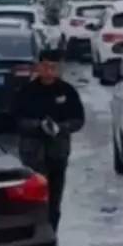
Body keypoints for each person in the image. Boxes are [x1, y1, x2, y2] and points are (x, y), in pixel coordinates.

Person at [12, 49, 85, 231]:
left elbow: (78, 119)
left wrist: (61, 128)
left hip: (58, 153)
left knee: (54, 199)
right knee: (34, 198)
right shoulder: (27, 91)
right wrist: (38, 126)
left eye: (54, 67)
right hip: (32, 154)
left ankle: (52, 233)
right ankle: (33, 233)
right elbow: (16, 119)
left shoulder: (67, 91)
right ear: (38, 67)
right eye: (45, 66)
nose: (49, 71)